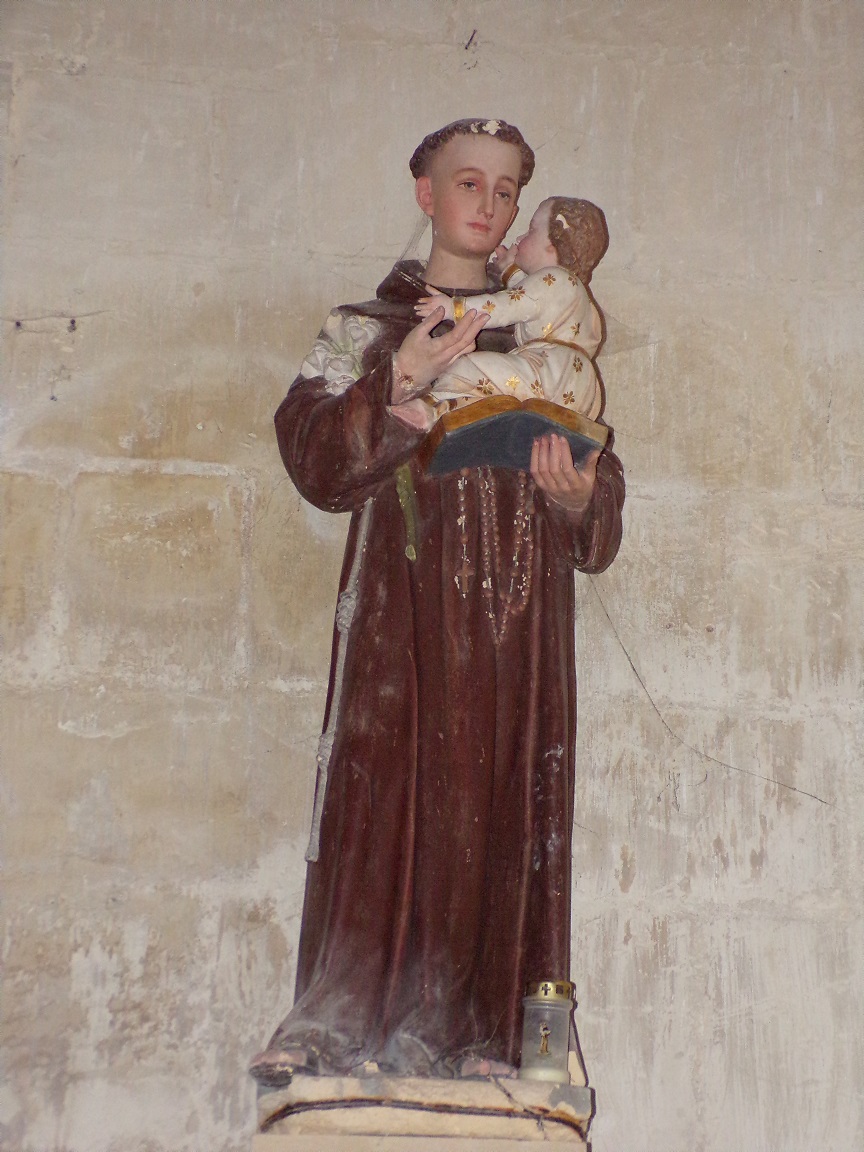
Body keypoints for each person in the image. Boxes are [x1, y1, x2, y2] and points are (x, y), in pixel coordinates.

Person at [250, 118, 625, 1087]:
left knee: (490, 804)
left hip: (513, 608)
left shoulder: (542, 324)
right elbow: (312, 452)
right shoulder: (361, 327)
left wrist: (581, 500)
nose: (489, 205)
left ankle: (473, 1033)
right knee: (381, 797)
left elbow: (596, 469)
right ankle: (340, 1019)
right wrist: (401, 379)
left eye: (507, 191)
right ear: (425, 193)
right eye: (470, 182)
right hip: (399, 607)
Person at [399, 196, 609, 431]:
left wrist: (454, 308)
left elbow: (506, 305)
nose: (518, 239)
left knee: (466, 368)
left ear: (552, 245)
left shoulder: (555, 280)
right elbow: (530, 298)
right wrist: (509, 270)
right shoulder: (573, 291)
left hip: (549, 374)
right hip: (579, 388)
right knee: (494, 395)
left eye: (530, 231)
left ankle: (432, 410)